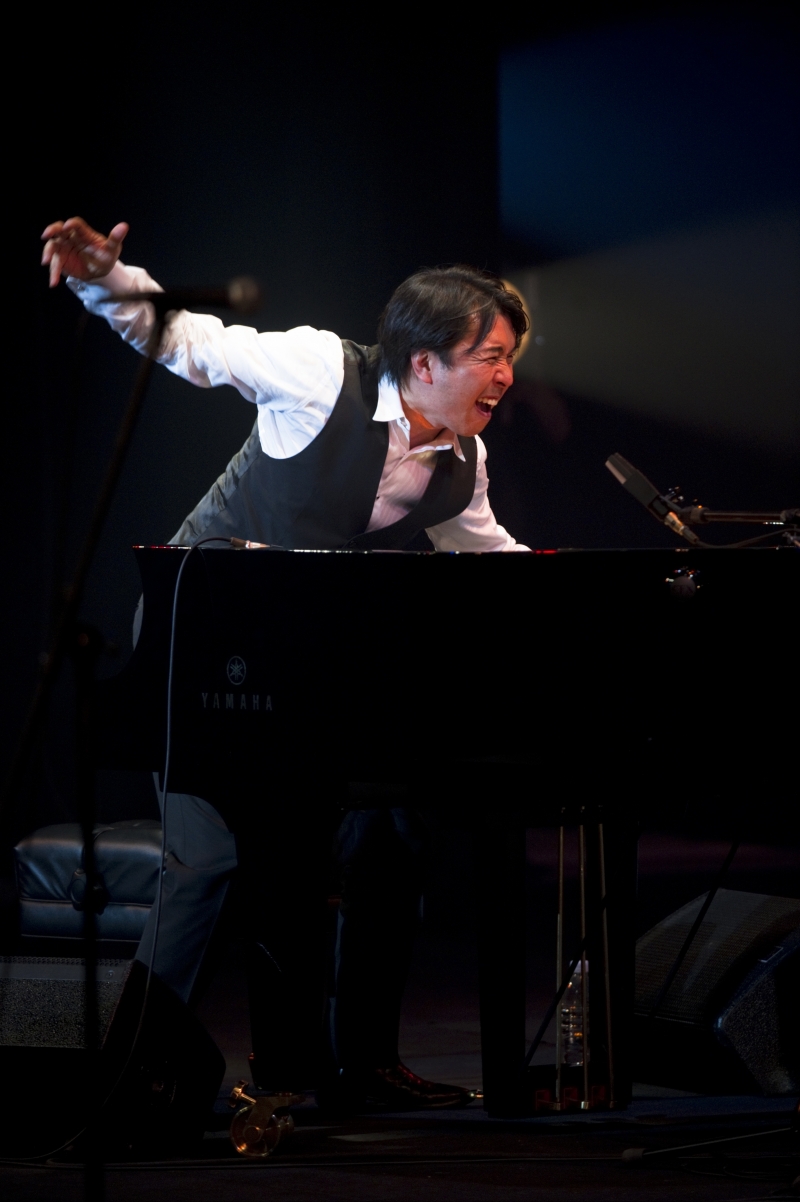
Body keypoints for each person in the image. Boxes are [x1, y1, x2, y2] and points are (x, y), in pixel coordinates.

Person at [41, 216, 531, 1110]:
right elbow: (194, 344)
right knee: (207, 858)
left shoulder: (463, 459)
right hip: (203, 627)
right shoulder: (319, 372)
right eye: (492, 356)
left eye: (511, 358)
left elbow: (490, 556)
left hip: (304, 655)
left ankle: (360, 1068)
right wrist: (105, 280)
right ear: (425, 362)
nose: (507, 376)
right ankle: (122, 1072)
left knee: (390, 831)